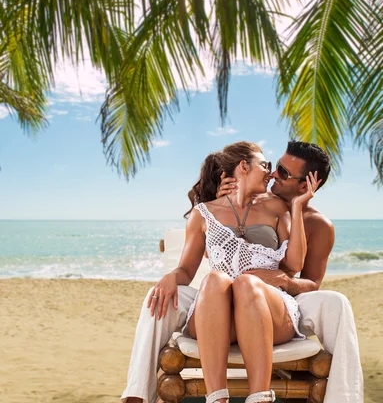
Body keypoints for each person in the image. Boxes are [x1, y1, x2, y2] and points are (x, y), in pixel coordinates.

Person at [121, 141, 363, 403]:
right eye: (270, 166)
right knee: (192, 286)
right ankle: (206, 397)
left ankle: (269, 397)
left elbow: (300, 271)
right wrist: (171, 275)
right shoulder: (210, 211)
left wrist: (282, 279)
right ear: (244, 167)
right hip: (219, 302)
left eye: (281, 171)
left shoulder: (292, 214)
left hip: (267, 304)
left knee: (250, 284)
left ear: (304, 186)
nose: (272, 174)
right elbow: (195, 261)